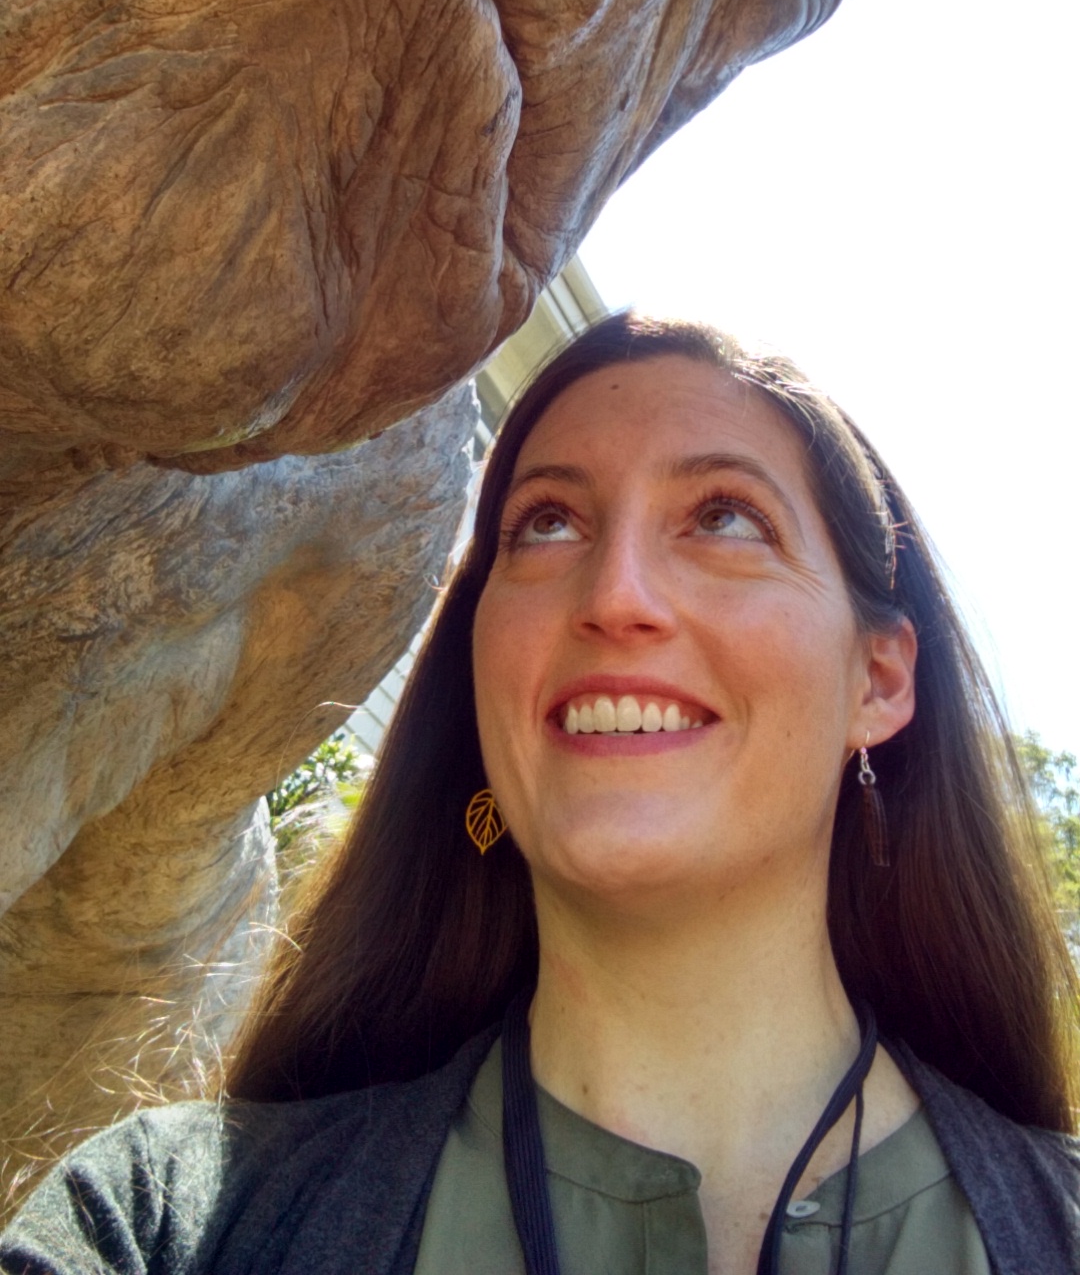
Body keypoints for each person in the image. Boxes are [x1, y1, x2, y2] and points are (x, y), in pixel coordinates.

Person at [2, 313, 1078, 1274]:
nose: (615, 594)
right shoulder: (163, 1224)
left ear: (879, 680)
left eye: (724, 517)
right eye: (548, 523)